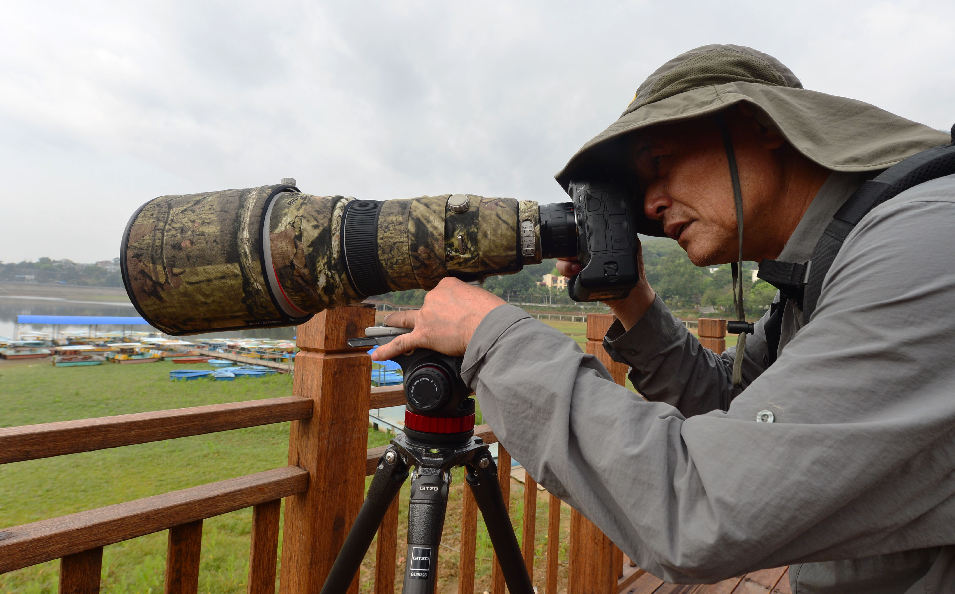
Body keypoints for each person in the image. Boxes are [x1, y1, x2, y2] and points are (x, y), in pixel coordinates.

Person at [372, 45, 955, 593]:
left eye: (661, 163)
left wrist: (491, 337)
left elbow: (701, 507)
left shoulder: (926, 241)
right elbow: (725, 402)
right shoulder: (823, 269)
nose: (650, 204)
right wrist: (633, 300)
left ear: (764, 126)